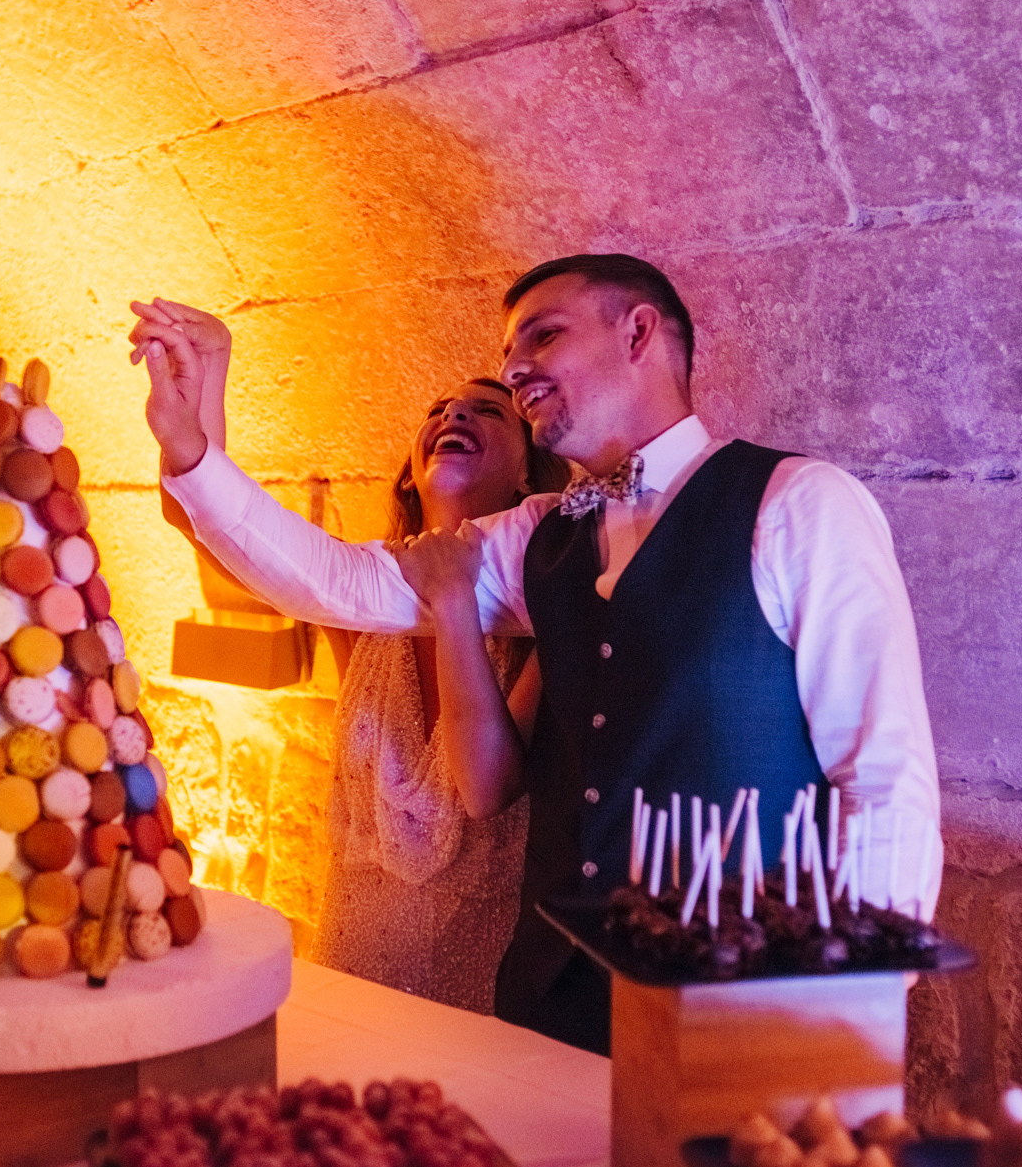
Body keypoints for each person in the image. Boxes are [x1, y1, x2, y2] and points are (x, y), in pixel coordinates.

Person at [131, 254, 942, 1055]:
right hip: (550, 1001)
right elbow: (338, 581)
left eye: (542, 336)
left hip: (737, 1010)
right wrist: (192, 450)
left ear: (638, 333)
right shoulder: (541, 536)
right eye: (509, 352)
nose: (515, 368)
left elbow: (881, 774)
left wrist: (846, 1016)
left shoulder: (799, 503)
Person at [142, 299, 570, 1011]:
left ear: (529, 477)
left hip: (479, 997)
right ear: (410, 476)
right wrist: (209, 375)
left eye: (488, 411)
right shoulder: (356, 603)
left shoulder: (547, 618)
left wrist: (456, 600)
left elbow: (487, 787)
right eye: (439, 410)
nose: (453, 414)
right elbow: (206, 527)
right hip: (352, 969)